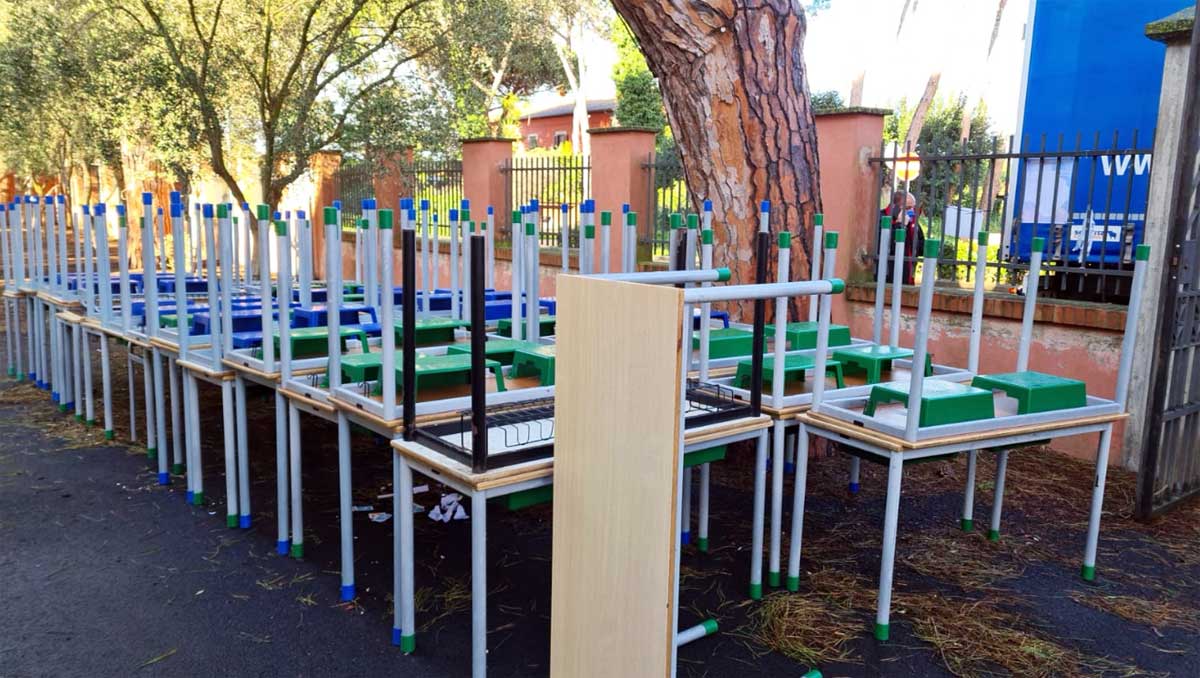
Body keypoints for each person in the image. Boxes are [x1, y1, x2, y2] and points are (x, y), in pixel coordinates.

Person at [880, 190, 925, 285]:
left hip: (907, 276)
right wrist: (900, 225)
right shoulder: (882, 218)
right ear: (895, 207)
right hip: (888, 277)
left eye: (913, 207)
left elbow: (921, 248)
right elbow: (887, 245)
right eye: (908, 208)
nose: (912, 211)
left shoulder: (913, 223)